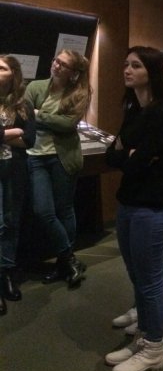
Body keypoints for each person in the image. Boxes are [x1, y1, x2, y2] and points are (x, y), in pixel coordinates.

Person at [104, 47, 163, 371]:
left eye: (136, 65)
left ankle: (153, 348)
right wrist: (132, 154)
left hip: (151, 207)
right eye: (126, 64)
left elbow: (135, 161)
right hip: (129, 202)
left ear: (152, 71)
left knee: (149, 280)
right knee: (141, 276)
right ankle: (144, 336)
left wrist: (132, 155)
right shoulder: (135, 109)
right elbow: (113, 155)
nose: (127, 69)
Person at [25, 49, 91, 288]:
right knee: (43, 211)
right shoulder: (36, 87)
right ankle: (69, 259)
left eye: (63, 64)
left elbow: (68, 125)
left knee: (64, 209)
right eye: (56, 60)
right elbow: (25, 117)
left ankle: (62, 264)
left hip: (63, 157)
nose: (56, 65)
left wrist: (39, 115)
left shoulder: (80, 92)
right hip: (36, 156)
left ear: (74, 72)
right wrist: (43, 118)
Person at [0, 55, 35, 315]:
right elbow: (21, 135)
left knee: (11, 221)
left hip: (15, 169)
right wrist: (13, 132)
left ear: (13, 73)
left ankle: (6, 272)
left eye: (1, 68)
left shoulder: (23, 104)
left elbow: (30, 139)